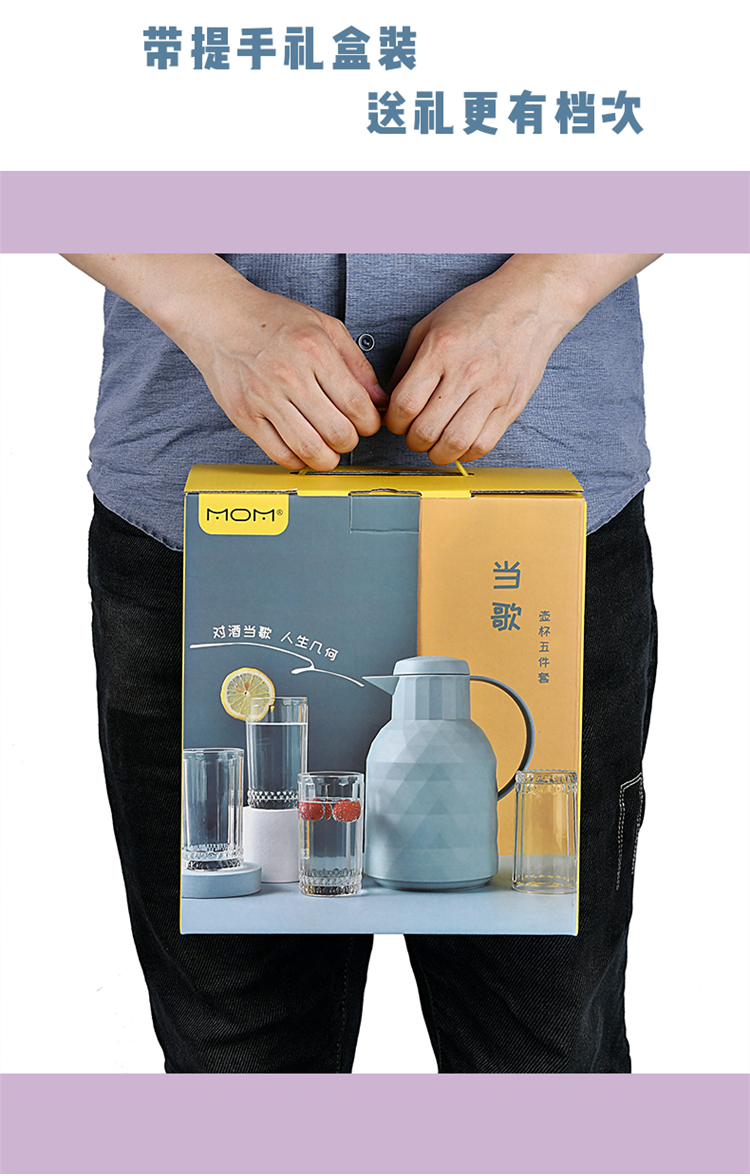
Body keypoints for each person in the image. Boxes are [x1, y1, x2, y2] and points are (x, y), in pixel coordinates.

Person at [63, 252, 660, 1073]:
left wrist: (541, 296)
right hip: (199, 531)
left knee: (546, 1062)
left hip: (538, 536)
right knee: (234, 1063)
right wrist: (216, 316)